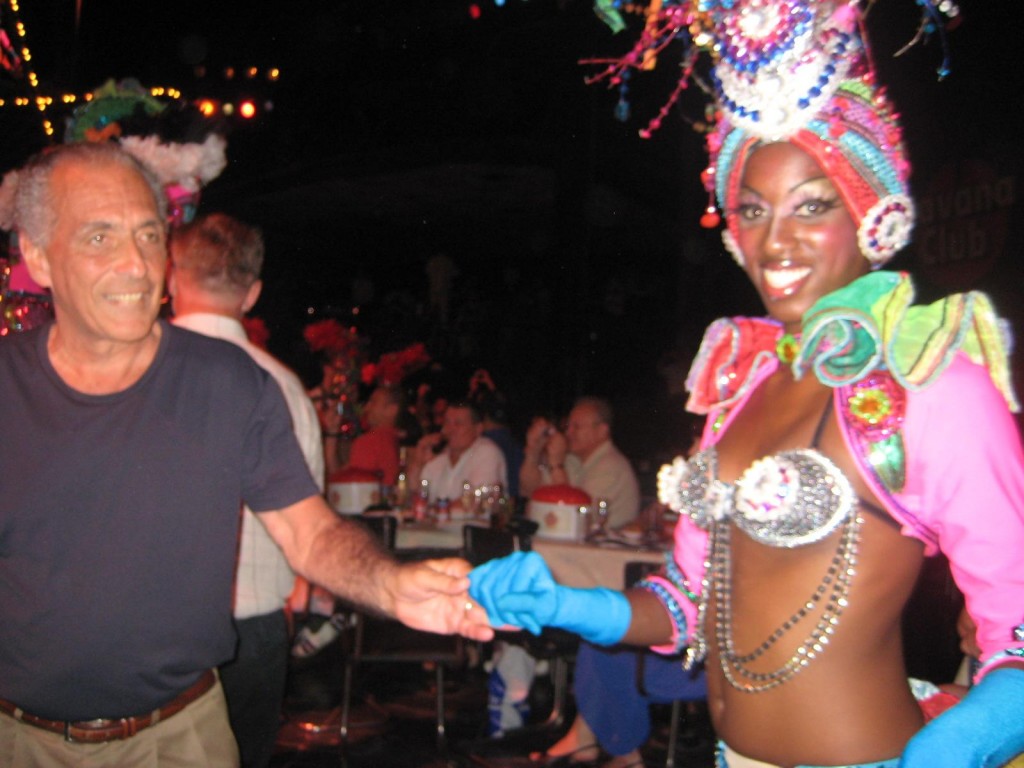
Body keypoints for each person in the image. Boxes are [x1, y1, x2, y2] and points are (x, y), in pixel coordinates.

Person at [468, 3, 1024, 767]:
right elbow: (689, 602)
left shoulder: (931, 383)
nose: (776, 242)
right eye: (754, 211)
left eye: (813, 206)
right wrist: (570, 603)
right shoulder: (743, 381)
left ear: (874, 216)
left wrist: (967, 741)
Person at [0, 141, 493, 768]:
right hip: (18, 742)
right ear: (37, 257)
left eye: (149, 235)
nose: (134, 263)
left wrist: (391, 585)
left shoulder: (227, 382)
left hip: (181, 739)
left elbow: (308, 533)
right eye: (99, 238)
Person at [167, 212, 324, 768]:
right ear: (251, 293)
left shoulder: (137, 371)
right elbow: (310, 528)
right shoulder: (284, 387)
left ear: (170, 278)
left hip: (154, 626)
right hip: (256, 623)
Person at [520, 397, 641, 529]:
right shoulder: (573, 461)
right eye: (568, 426)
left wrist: (556, 465)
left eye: (576, 427)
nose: (568, 432)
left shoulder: (611, 466)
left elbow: (573, 519)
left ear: (602, 431)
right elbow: (530, 491)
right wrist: (533, 452)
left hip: (602, 548)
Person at [407, 400, 508, 509]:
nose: (450, 429)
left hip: (472, 526)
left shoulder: (487, 452)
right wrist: (417, 463)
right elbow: (410, 498)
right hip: (435, 525)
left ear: (478, 429)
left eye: (458, 424)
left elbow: (473, 502)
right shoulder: (439, 460)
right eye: (447, 423)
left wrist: (432, 512)